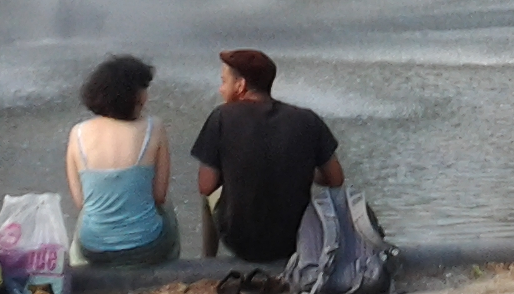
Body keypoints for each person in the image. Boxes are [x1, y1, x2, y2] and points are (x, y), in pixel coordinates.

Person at [191, 48, 341, 262]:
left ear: (240, 85)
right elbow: (336, 179)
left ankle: (208, 262)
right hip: (295, 238)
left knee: (209, 198)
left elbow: (206, 185)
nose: (220, 89)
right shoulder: (307, 119)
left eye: (224, 82)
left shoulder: (221, 118)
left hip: (241, 241)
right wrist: (304, 167)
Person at [66, 55, 179, 266]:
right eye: (144, 88)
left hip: (93, 249)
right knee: (168, 208)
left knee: (89, 212)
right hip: (147, 247)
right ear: (133, 95)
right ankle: (170, 266)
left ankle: (79, 266)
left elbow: (81, 201)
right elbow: (159, 196)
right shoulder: (154, 128)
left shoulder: (78, 133)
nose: (147, 95)